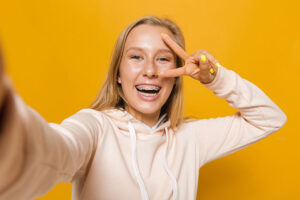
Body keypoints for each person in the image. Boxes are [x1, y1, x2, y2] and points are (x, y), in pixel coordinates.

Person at [0, 16, 287, 200]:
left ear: (177, 78)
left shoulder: (189, 138)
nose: (150, 70)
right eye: (136, 57)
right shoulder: (95, 128)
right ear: (118, 74)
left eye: (163, 59)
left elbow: (270, 118)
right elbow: (53, 151)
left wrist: (216, 77)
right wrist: (8, 122)